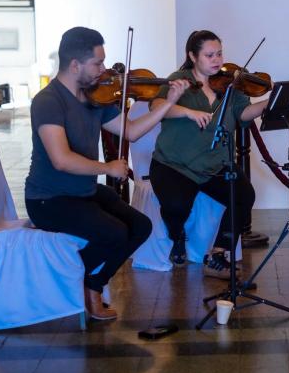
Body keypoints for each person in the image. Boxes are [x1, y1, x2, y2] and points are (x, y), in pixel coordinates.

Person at [25, 26, 190, 320]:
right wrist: (107, 168)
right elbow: (61, 160)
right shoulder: (48, 101)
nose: (104, 70)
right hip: (49, 199)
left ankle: (88, 280)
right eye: (97, 63)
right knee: (114, 234)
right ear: (75, 65)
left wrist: (169, 104)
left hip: (83, 191)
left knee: (140, 226)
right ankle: (74, 280)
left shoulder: (94, 98)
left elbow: (132, 131)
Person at [149, 30, 268, 278]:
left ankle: (217, 254)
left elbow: (243, 114)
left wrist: (269, 103)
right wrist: (187, 112)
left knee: (244, 196)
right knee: (176, 205)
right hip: (175, 164)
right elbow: (158, 107)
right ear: (193, 56)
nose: (217, 60)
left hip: (214, 164)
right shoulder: (180, 80)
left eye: (219, 54)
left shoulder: (230, 85)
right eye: (209, 55)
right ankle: (177, 235)